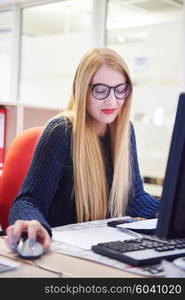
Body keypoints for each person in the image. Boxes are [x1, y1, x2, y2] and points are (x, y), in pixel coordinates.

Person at [6, 47, 160, 252]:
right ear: (82, 90)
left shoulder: (124, 130)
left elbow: (134, 197)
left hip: (106, 246)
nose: (112, 101)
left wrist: (170, 212)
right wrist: (32, 223)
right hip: (64, 251)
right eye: (100, 89)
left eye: (120, 89)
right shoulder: (62, 131)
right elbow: (27, 201)